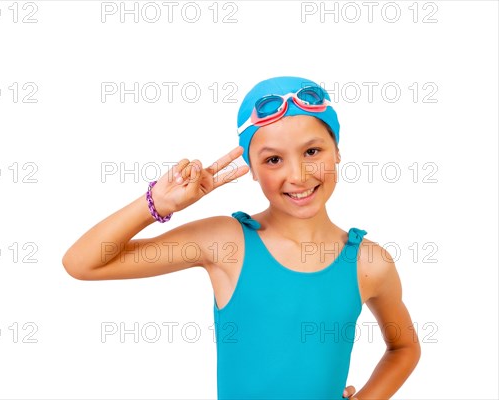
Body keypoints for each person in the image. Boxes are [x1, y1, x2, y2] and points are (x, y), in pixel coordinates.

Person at [62, 76, 421, 399]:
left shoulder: (368, 263)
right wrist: (156, 202)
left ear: (337, 151)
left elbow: (404, 348)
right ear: (249, 167)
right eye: (273, 160)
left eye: (312, 152)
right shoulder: (226, 243)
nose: (297, 175)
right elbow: (83, 263)